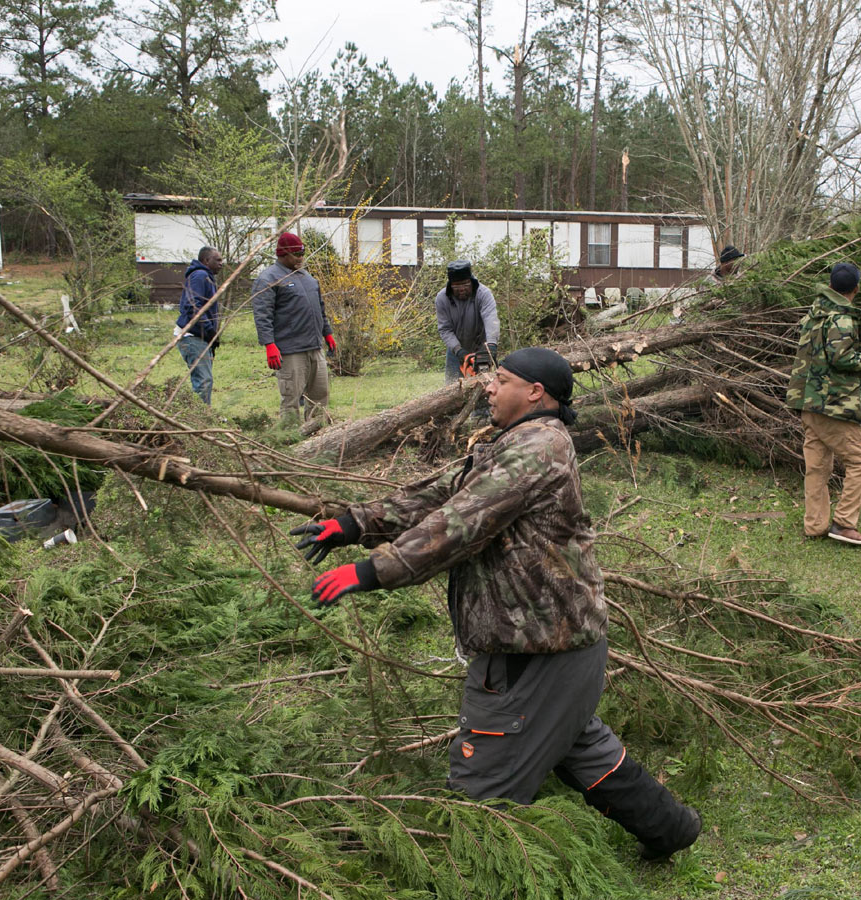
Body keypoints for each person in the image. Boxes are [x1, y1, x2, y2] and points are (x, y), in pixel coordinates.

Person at [289, 347, 703, 861]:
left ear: (535, 392)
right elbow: (440, 494)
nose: (488, 386)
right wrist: (355, 523)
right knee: (576, 746)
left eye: (501, 379)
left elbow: (459, 523)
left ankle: (471, 867)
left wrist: (374, 570)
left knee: (478, 795)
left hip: (534, 652)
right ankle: (671, 829)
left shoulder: (538, 450)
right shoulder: (514, 443)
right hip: (560, 643)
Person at [785, 262, 861, 545]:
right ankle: (844, 524)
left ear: (830, 285)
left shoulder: (814, 314)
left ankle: (815, 524)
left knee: (818, 466)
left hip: (808, 402)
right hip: (833, 405)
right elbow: (840, 358)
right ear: (855, 288)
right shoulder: (841, 318)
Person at [251, 233, 337, 424]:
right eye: (297, 253)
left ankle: (318, 434)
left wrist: (327, 333)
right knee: (291, 398)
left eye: (302, 252)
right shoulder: (268, 279)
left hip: (314, 347)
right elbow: (262, 315)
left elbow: (319, 309)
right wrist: (269, 344)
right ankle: (290, 439)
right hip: (290, 351)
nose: (301, 257)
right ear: (283, 253)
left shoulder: (307, 278)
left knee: (320, 396)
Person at [436, 260, 499, 384]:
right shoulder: (442, 298)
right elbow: (445, 329)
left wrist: (491, 346)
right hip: (456, 348)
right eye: (457, 286)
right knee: (451, 386)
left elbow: (491, 319)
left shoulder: (483, 294)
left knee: (486, 386)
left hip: (482, 346)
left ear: (471, 282)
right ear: (451, 285)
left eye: (465, 284)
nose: (461, 289)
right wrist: (459, 350)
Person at [175, 246, 223, 405]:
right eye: (218, 260)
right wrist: (209, 331)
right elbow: (193, 307)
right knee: (203, 381)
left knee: (204, 379)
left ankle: (201, 417)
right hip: (192, 335)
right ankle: (199, 421)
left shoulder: (206, 277)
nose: (221, 264)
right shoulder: (199, 276)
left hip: (200, 336)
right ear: (206, 260)